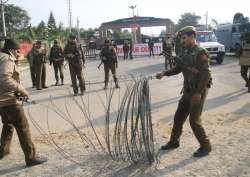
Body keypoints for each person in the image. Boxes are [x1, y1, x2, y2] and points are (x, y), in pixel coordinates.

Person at [156, 26, 212, 157]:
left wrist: (198, 93)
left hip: (199, 90)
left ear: (193, 37)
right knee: (178, 116)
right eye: (181, 38)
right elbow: (178, 69)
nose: (182, 41)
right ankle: (174, 141)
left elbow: (206, 74)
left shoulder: (200, 52)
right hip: (187, 90)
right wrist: (164, 73)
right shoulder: (184, 52)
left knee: (194, 120)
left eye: (184, 38)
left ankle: (206, 145)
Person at [0, 38, 47, 167]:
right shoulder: (7, 59)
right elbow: (4, 79)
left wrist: (21, 96)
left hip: (2, 102)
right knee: (23, 128)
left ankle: (3, 151)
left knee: (8, 125)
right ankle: (31, 157)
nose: (18, 54)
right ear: (12, 50)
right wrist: (21, 90)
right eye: (17, 51)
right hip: (10, 101)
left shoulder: (1, 57)